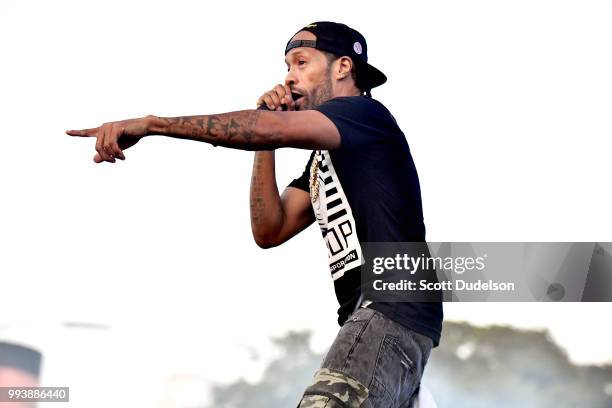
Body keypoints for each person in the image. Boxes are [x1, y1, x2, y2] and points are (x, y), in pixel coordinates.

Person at [67, 21, 443, 408]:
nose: (289, 77)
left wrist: (153, 124)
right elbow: (269, 228)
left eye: (301, 63)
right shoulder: (325, 158)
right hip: (379, 320)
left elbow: (269, 130)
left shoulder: (364, 114)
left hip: (389, 308)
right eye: (287, 67)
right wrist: (267, 130)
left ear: (343, 67)